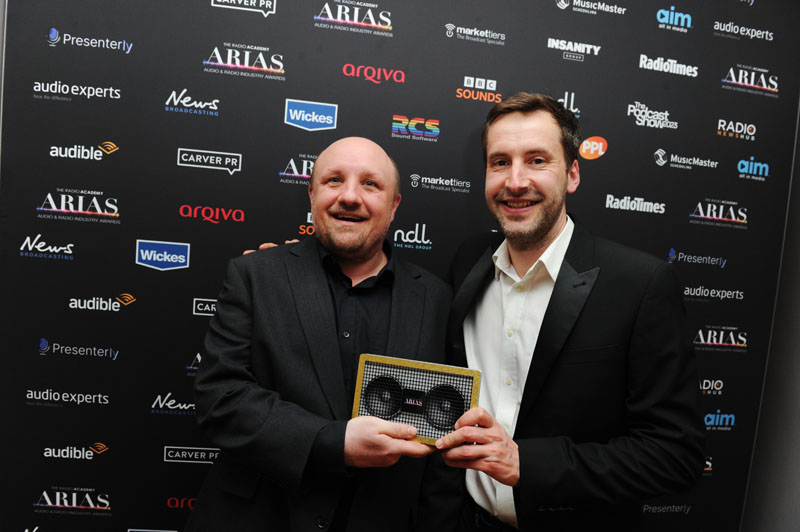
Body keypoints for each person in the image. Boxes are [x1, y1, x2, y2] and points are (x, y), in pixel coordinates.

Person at [435, 93, 704, 531]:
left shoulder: (640, 284)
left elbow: (676, 456)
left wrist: (526, 463)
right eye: (500, 162)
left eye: (537, 160)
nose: (515, 181)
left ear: (572, 174)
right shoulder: (469, 261)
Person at [185, 137, 461, 532]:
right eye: (334, 180)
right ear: (312, 194)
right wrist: (333, 443)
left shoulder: (438, 300)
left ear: (394, 205)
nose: (349, 196)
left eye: (370, 184)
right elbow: (220, 399)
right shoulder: (254, 275)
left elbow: (445, 435)